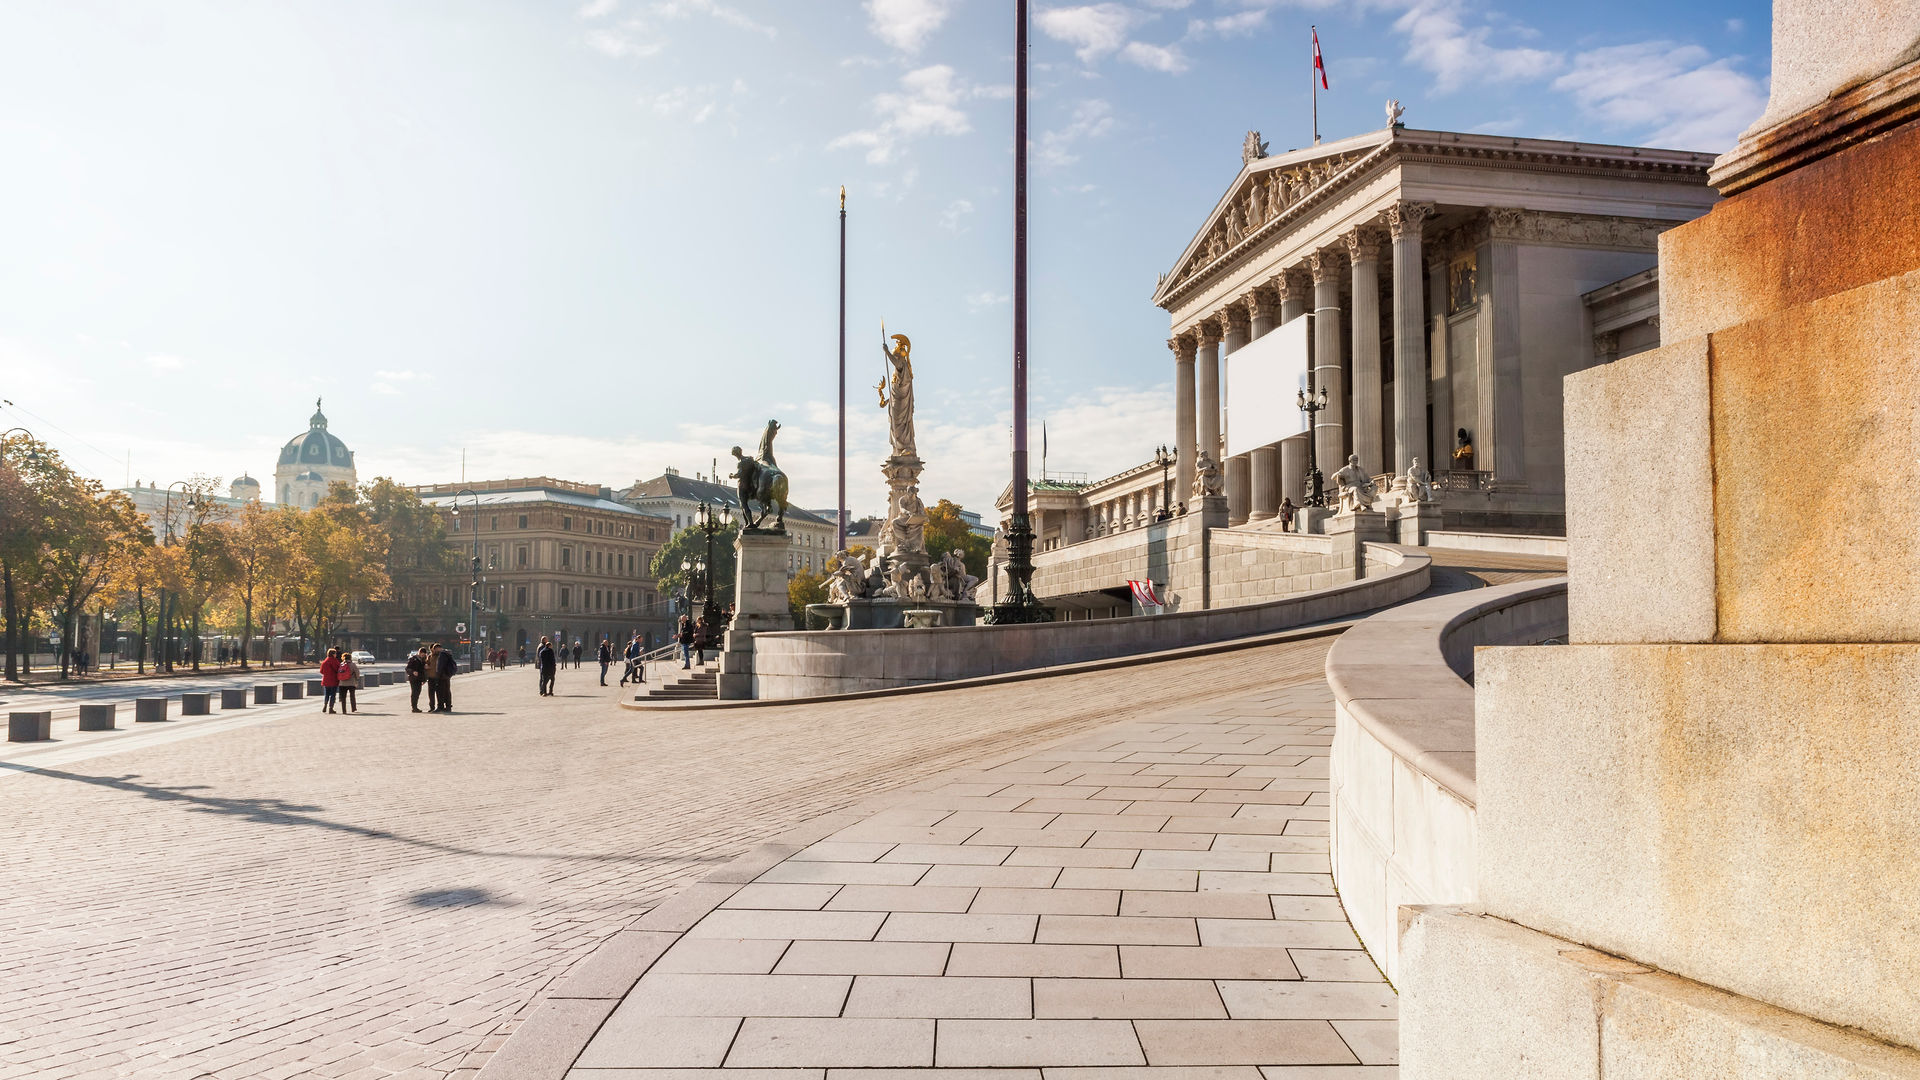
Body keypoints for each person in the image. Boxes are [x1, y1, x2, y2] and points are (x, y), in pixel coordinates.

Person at [433, 643, 457, 712]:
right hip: (447, 676)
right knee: (447, 691)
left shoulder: (442, 655)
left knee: (440, 692)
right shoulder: (447, 654)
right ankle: (448, 706)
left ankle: (440, 707)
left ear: (437, 648)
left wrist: (437, 676)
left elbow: (440, 667)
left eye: (435, 649)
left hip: (442, 676)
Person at [319, 648, 342, 713]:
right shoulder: (335, 661)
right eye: (335, 653)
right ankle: (330, 708)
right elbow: (339, 669)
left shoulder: (324, 661)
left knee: (326, 694)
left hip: (326, 680)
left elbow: (321, 671)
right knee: (333, 695)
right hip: (334, 680)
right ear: (333, 654)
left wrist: (327, 674)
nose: (336, 655)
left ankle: (325, 705)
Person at [406, 646, 429, 712]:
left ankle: (415, 707)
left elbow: (424, 671)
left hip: (419, 679)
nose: (423, 655)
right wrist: (413, 672)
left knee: (418, 692)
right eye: (422, 654)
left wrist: (424, 679)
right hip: (413, 678)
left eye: (424, 654)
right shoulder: (413, 659)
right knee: (414, 693)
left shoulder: (424, 660)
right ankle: (414, 707)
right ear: (419, 653)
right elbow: (407, 668)